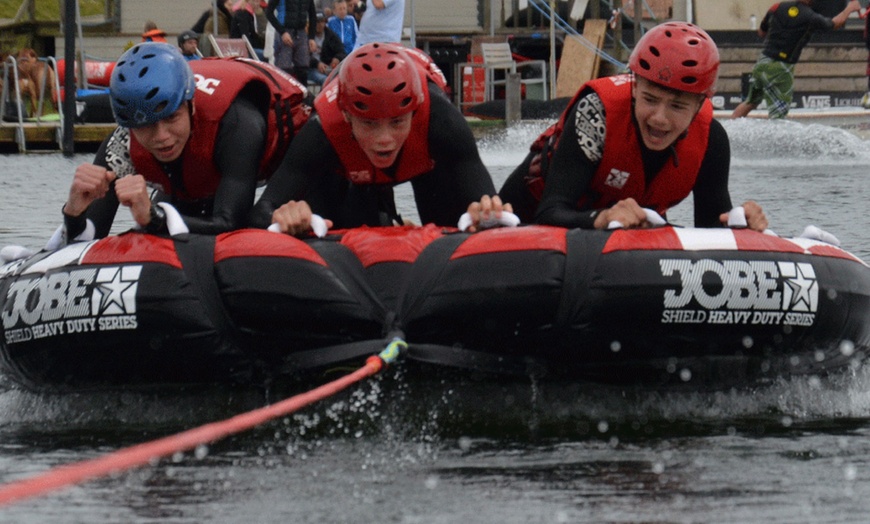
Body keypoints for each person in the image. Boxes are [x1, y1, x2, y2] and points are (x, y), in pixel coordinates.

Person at [498, 22, 769, 233]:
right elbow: (550, 211)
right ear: (635, 87)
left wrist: (738, 224)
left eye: (677, 107)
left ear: (700, 105)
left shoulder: (711, 139)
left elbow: (710, 226)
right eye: (650, 99)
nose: (659, 119)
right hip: (529, 217)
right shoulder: (596, 115)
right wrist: (602, 218)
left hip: (617, 233)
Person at [249, 42, 509, 235]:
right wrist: (282, 215)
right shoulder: (323, 130)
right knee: (328, 223)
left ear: (415, 111)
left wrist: (485, 212)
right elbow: (261, 210)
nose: (384, 139)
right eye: (370, 123)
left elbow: (485, 199)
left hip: (428, 168)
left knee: (456, 224)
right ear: (347, 117)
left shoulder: (441, 120)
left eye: (396, 121)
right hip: (346, 175)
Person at [59, 43, 310, 243]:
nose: (161, 136)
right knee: (161, 227)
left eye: (171, 117)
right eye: (145, 125)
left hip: (290, 148)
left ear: (190, 105)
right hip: (194, 170)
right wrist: (73, 213)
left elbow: (231, 223)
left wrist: (155, 218)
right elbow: (86, 239)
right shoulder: (121, 144)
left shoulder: (235, 123)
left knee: (259, 219)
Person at [732, 0, 861, 119]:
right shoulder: (810, 17)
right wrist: (849, 8)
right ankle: (776, 144)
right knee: (778, 117)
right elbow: (834, 24)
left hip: (763, 62)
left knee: (750, 102)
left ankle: (728, 132)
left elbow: (761, 32)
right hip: (781, 69)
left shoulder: (777, 7)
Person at [265, 0, 318, 84]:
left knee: (303, 68)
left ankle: (301, 95)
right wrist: (282, 32)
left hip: (301, 32)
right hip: (284, 31)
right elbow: (269, 13)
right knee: (284, 70)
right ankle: (284, 95)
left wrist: (311, 37)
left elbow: (312, 15)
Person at [308, 12, 346, 86]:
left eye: (322, 21)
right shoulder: (306, 36)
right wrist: (317, 64)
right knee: (325, 80)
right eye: (317, 22)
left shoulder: (331, 36)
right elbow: (302, 56)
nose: (320, 25)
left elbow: (342, 52)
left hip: (328, 69)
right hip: (311, 69)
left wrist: (337, 58)